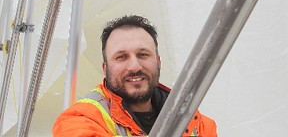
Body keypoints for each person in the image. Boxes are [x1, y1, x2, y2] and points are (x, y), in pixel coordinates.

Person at [53, 15, 217, 136]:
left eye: (143, 54)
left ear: (158, 62)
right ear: (105, 68)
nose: (134, 66)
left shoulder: (198, 124)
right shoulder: (81, 119)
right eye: (121, 57)